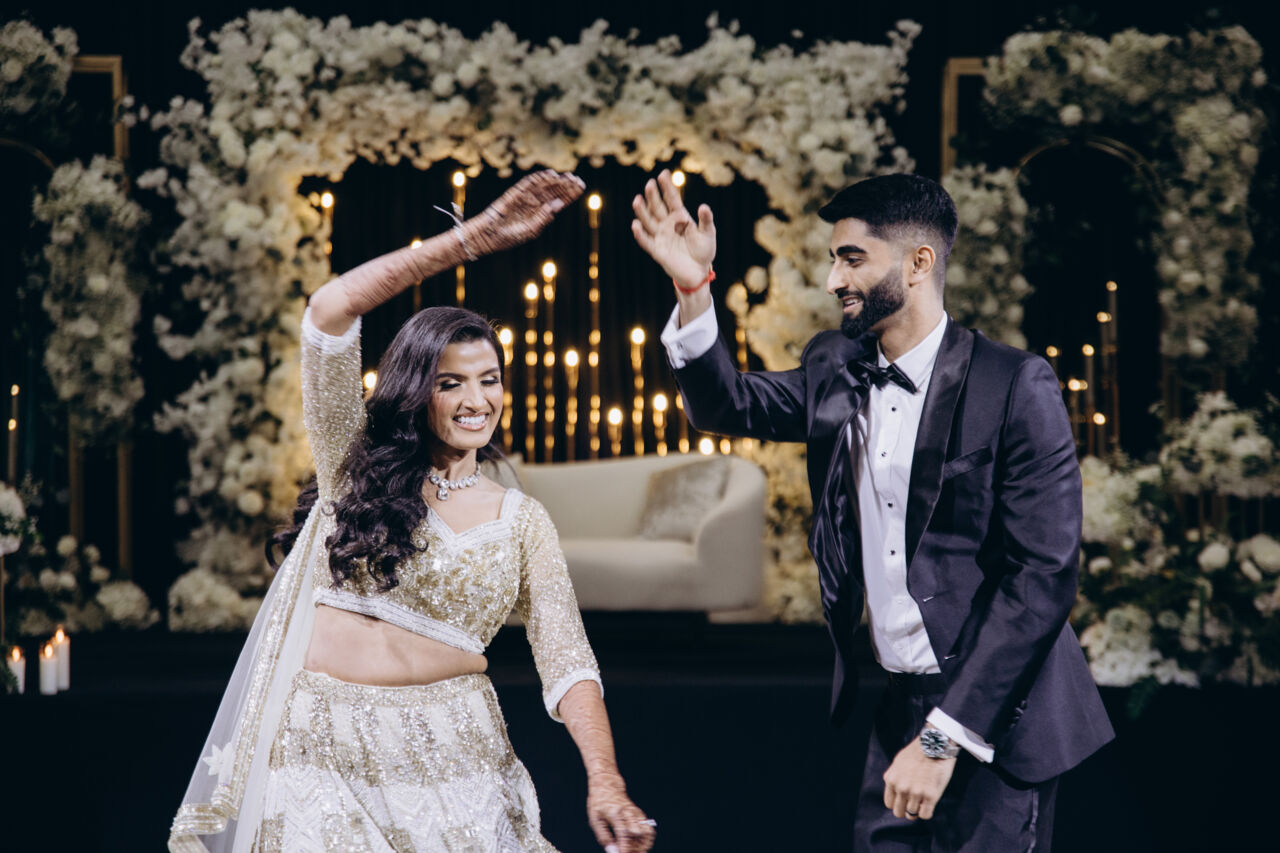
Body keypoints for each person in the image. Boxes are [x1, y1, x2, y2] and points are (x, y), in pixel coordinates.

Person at [170, 171, 655, 853]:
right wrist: (469, 240)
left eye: (489, 380)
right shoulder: (352, 468)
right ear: (415, 391)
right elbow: (328, 311)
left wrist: (605, 779)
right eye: (450, 383)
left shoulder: (521, 521)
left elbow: (568, 660)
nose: (476, 401)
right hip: (321, 747)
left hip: (457, 759)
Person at [631, 170, 1113, 851]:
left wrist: (943, 739)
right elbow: (724, 405)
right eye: (834, 259)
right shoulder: (836, 365)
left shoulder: (1013, 384)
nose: (834, 279)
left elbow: (1042, 579)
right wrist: (692, 289)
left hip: (1002, 710)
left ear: (919, 263)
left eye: (852, 258)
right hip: (899, 706)